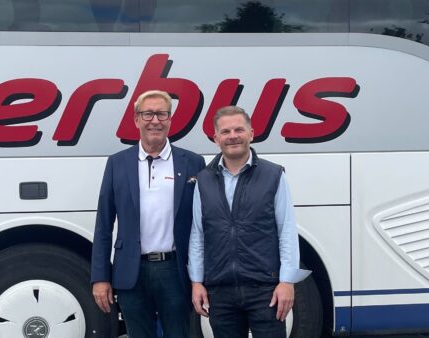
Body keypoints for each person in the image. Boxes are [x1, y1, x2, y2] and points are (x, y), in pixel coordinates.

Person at [91, 90, 206, 338]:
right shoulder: (117, 163)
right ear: (136, 119)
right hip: (131, 271)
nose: (155, 120)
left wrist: (201, 276)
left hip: (174, 270)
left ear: (170, 119)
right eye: (148, 114)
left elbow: (202, 223)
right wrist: (100, 277)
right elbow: (103, 224)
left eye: (162, 114)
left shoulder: (193, 163)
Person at [188, 106, 311, 338]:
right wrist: (196, 282)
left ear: (251, 134)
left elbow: (286, 230)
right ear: (216, 139)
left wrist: (287, 282)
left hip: (265, 291)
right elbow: (198, 234)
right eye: (225, 132)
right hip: (220, 291)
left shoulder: (274, 175)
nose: (232, 136)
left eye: (238, 129)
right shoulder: (203, 180)